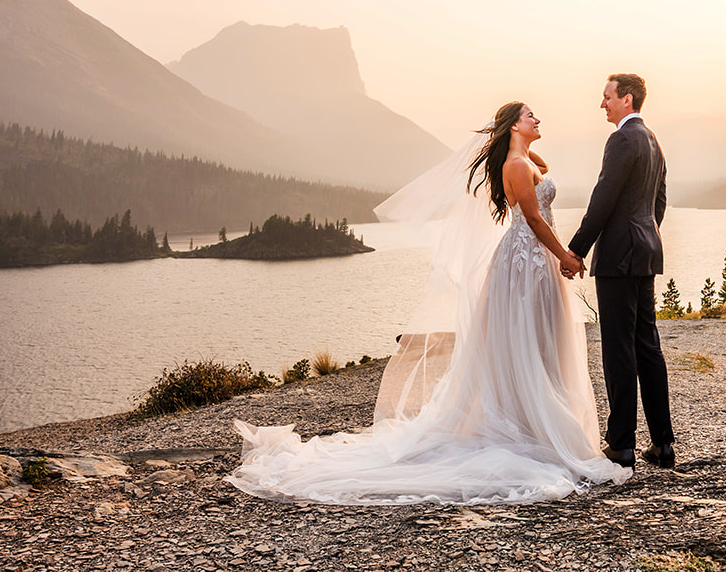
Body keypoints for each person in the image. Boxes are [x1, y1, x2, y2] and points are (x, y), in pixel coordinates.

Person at [226, 101, 630, 504]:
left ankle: (533, 421)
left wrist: (519, 142)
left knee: (536, 339)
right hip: (526, 260)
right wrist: (566, 255)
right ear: (512, 127)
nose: (538, 119)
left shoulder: (522, 160)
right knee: (526, 339)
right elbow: (536, 218)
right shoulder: (517, 167)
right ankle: (532, 425)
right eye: (530, 117)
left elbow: (542, 172)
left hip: (529, 255)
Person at [564, 73, 676, 470]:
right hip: (645, 252)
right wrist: (645, 233)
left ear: (626, 99)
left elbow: (604, 198)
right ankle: (662, 444)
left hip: (619, 257)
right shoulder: (653, 141)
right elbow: (658, 201)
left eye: (607, 97)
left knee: (618, 348)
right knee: (647, 345)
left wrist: (575, 250)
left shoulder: (622, 139)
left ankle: (622, 444)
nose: (602, 104)